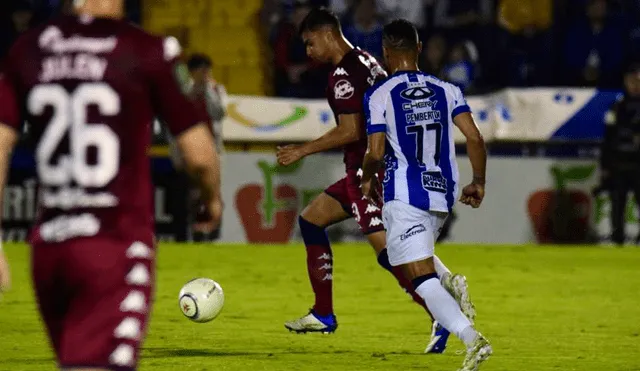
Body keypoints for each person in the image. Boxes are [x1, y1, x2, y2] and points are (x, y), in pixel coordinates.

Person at [0, 0, 222, 370]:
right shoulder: (148, 49)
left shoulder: (29, 48)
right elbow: (199, 154)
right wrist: (212, 199)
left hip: (49, 250)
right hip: (113, 245)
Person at [276, 8, 473, 354]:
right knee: (311, 220)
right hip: (373, 166)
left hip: (365, 170)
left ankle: (440, 311)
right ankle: (323, 313)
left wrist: (302, 150)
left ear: (326, 35)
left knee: (391, 252)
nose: (308, 52)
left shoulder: (342, 75)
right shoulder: (366, 59)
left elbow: (350, 130)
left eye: (309, 43)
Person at [360, 19, 492, 369]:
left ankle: (471, 338)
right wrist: (478, 181)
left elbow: (374, 152)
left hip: (406, 190)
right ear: (418, 49)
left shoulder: (380, 94)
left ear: (385, 54)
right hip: (443, 192)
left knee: (418, 277)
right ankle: (449, 279)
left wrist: (367, 179)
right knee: (405, 252)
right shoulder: (447, 89)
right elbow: (475, 138)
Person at [168, 53, 227, 241]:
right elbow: (176, 118)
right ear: (192, 72)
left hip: (211, 150)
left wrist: (207, 91)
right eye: (200, 70)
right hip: (188, 152)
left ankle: (212, 234)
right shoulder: (183, 91)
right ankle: (185, 235)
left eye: (206, 70)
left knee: (211, 193)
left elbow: (220, 113)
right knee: (188, 196)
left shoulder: (216, 90)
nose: (204, 74)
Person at [600, 63, 640, 245]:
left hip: (638, 163)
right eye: (632, 81)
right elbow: (608, 139)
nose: (635, 85)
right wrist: (605, 165)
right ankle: (618, 238)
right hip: (619, 163)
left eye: (638, 81)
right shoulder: (617, 106)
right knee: (617, 204)